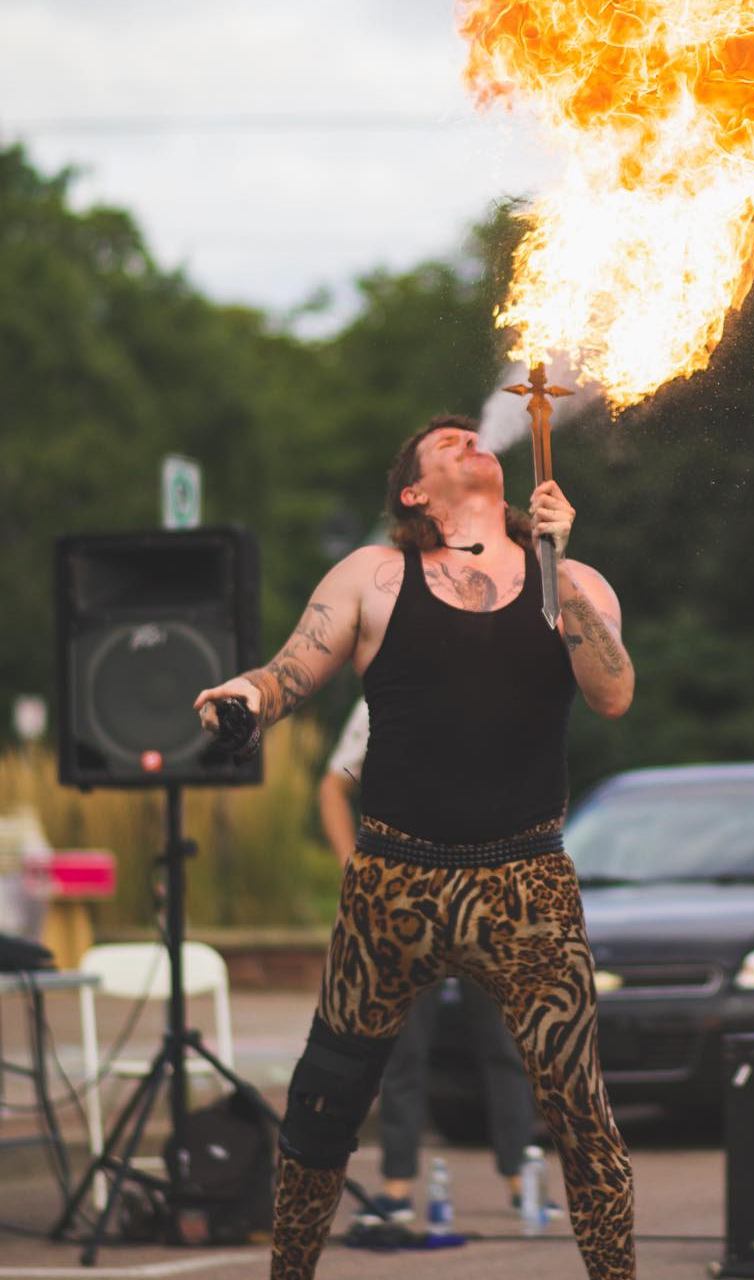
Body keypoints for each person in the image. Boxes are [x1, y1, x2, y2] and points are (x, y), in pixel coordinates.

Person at [194, 414, 636, 1280]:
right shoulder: (375, 576)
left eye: (478, 437)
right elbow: (289, 672)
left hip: (526, 881)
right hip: (395, 882)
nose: (473, 441)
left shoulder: (573, 578)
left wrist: (558, 566)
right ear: (415, 492)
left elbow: (614, 694)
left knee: (581, 1112)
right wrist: (241, 697)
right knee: (324, 1104)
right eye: (447, 444)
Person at [318, 696, 558, 1223]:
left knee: (504, 1040)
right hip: (406, 897)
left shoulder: (503, 686)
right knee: (403, 1045)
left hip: (488, 895)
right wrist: (352, 867)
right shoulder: (383, 698)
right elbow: (334, 785)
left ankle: (522, 1177)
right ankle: (398, 1184)